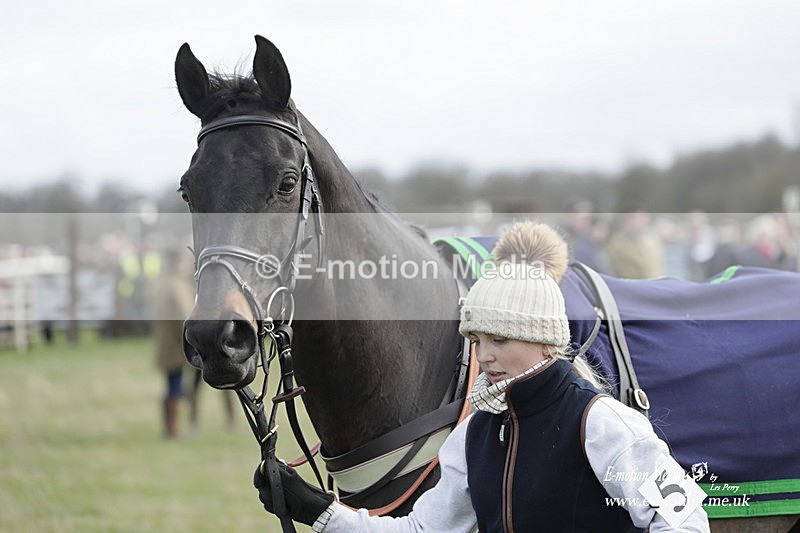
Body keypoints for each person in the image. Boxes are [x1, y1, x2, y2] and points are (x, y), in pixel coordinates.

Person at [253, 222, 710, 532]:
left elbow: (685, 519)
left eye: (501, 340)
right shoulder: (474, 433)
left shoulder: (603, 422)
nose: (485, 356)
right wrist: (317, 509)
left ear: (545, 340)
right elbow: (421, 530)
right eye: (476, 341)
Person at [152, 248, 196, 438]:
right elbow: (183, 317)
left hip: (166, 343)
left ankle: (170, 428)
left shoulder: (162, 282)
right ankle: (173, 430)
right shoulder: (176, 285)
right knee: (175, 385)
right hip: (176, 345)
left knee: (172, 384)